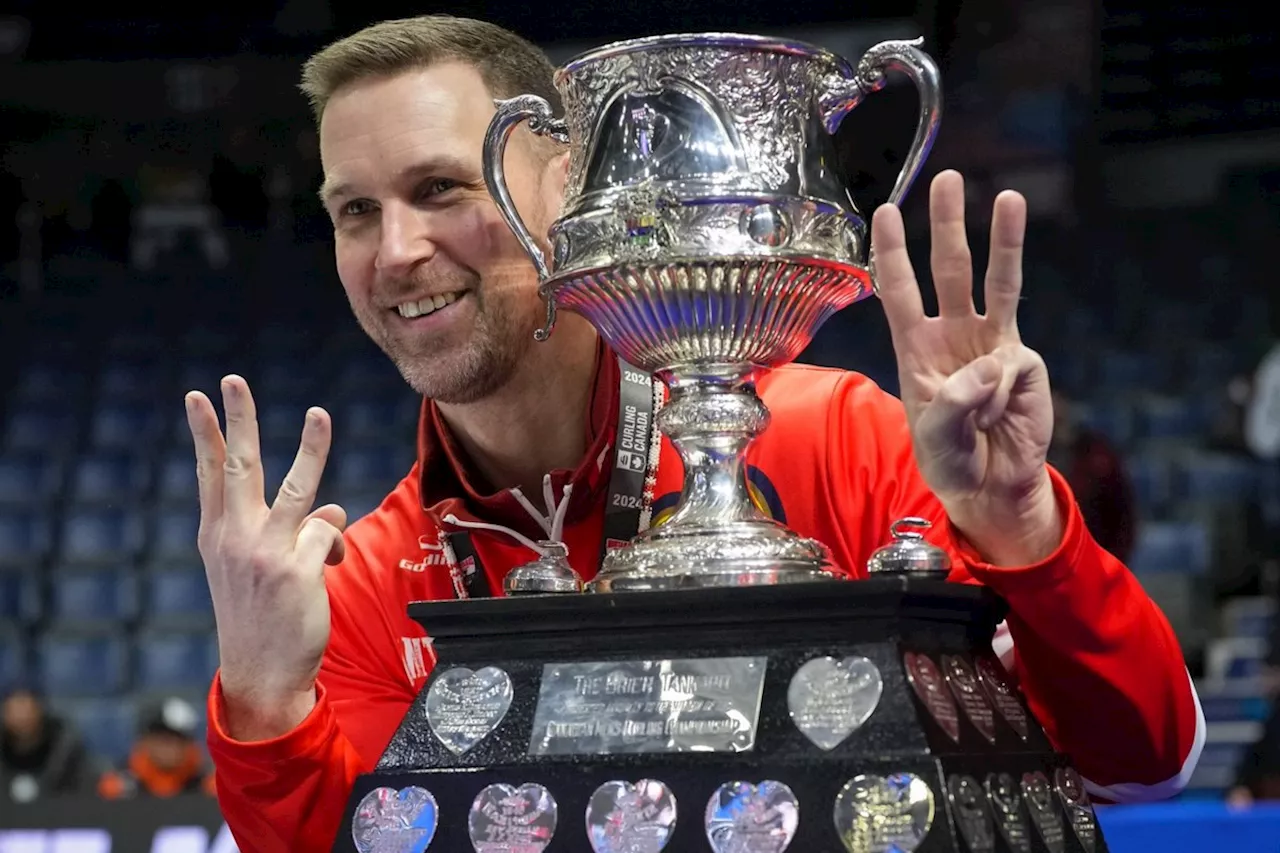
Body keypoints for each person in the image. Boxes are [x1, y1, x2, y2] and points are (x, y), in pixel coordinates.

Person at [185, 16, 1205, 852]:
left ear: (562, 185)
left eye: (441, 188)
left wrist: (1022, 529)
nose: (397, 250)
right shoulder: (371, 583)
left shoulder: (833, 441)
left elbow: (1140, 763)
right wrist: (262, 698)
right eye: (354, 210)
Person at [1048, 389, 1138, 563]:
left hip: (1094, 563)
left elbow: (1123, 517)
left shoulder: (1098, 455)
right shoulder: (1026, 456)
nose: (1053, 409)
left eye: (1057, 401)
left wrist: (1112, 564)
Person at [97, 696, 216, 799]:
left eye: (179, 741)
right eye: (164, 740)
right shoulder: (121, 785)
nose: (171, 748)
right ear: (146, 741)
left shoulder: (204, 783)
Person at [0, 686, 93, 803]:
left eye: (26, 710)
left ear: (38, 711)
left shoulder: (64, 744)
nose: (21, 717)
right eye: (14, 711)